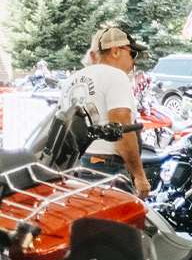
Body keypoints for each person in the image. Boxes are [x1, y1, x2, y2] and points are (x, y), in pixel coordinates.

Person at [59, 24, 151, 199]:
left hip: (76, 167)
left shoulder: (71, 80)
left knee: (89, 225)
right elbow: (121, 129)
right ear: (115, 51)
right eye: (132, 53)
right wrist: (139, 176)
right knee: (122, 225)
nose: (134, 60)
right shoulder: (115, 76)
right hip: (105, 168)